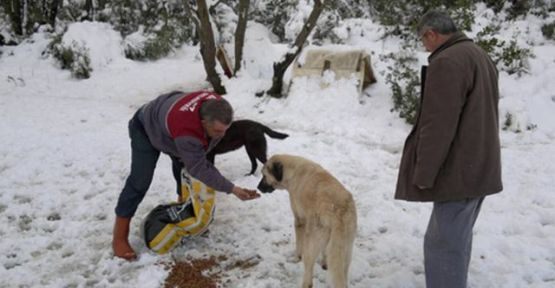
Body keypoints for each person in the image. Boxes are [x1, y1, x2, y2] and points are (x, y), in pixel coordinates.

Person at [395, 10, 503, 288]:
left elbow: (438, 125)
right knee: (455, 239)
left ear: (432, 33)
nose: (424, 46)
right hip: (479, 165)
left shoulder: (447, 62)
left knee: (443, 245)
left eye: (423, 39)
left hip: (459, 172)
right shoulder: (477, 54)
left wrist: (424, 173)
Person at [113, 90, 260, 260]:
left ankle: (184, 215)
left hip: (170, 124)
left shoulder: (218, 107)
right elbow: (199, 167)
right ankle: (119, 237)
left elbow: (200, 158)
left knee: (183, 173)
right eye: (218, 131)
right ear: (204, 123)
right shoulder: (187, 131)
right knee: (140, 181)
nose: (223, 135)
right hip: (146, 128)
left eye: (226, 129)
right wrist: (233, 189)